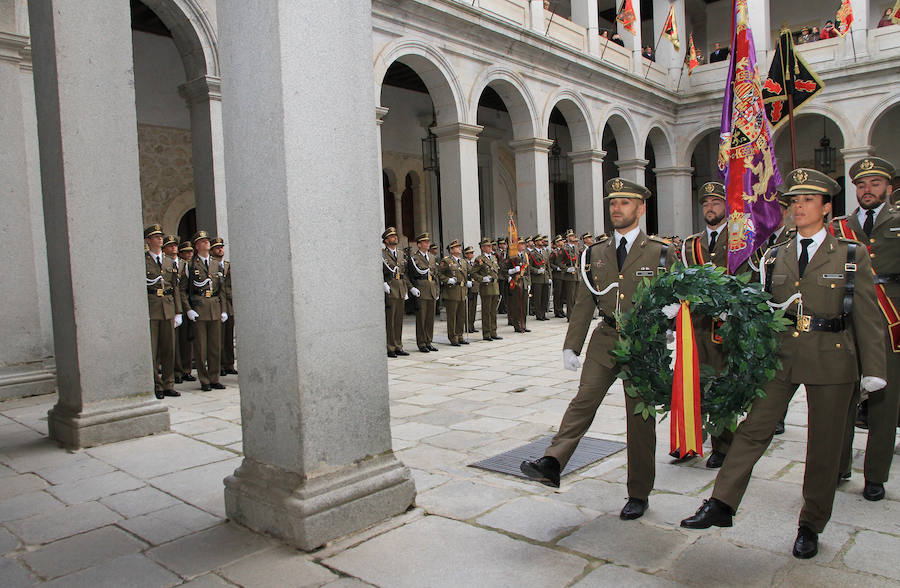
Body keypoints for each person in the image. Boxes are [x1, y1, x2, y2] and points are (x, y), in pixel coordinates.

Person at [681, 168, 886, 560]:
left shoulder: (849, 255)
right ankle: (722, 503)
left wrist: (875, 369)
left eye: (808, 200)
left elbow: (868, 316)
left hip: (832, 358)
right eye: (794, 201)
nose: (799, 207)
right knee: (753, 430)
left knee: (824, 447)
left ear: (827, 207)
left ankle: (811, 524)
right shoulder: (775, 255)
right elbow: (754, 300)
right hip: (780, 356)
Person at [520, 178, 676, 521]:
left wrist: (672, 319)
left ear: (640, 208)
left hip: (642, 344)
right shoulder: (594, 253)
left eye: (624, 202)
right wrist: (571, 345)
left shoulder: (662, 252)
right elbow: (584, 301)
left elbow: (678, 296)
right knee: (584, 400)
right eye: (612, 203)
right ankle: (552, 462)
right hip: (605, 338)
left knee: (640, 419)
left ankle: (639, 492)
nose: (616, 209)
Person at [835, 157, 900, 502]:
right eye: (861, 185)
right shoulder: (838, 228)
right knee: (842, 397)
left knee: (883, 403)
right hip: (849, 322)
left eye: (875, 184)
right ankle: (840, 464)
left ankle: (875, 475)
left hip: (891, 321)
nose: (867, 190)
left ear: (888, 188)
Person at [679, 182, 736, 468]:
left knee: (721, 385)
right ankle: (690, 440)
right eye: (705, 203)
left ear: (726, 206)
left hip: (725, 326)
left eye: (715, 202)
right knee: (692, 382)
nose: (710, 207)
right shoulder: (690, 244)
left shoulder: (740, 240)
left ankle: (724, 445)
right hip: (695, 325)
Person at [182, 230, 228, 391]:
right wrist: (188, 310)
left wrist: (224, 310)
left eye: (207, 240)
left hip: (215, 306)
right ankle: (204, 380)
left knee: (215, 346)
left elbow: (221, 289)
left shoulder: (216, 264)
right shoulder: (190, 265)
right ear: (197, 246)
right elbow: (183, 290)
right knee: (201, 348)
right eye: (202, 241)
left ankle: (214, 377)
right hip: (199, 308)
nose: (206, 243)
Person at [144, 224, 181, 399]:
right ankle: (156, 384)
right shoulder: (143, 261)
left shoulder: (169, 261)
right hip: (152, 307)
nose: (160, 238)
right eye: (155, 236)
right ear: (148, 240)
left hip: (168, 307)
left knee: (169, 348)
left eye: (160, 236)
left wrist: (179, 311)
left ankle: (168, 383)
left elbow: (175, 287)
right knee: (152, 350)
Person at [382, 227, 411, 358]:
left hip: (400, 288)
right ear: (386, 240)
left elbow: (403, 272)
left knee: (399, 319)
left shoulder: (400, 254)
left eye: (395, 236)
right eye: (392, 237)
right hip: (390, 287)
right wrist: (383, 283)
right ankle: (390, 347)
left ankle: (398, 345)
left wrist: (406, 289)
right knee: (390, 319)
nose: (395, 238)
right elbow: (379, 270)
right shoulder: (382, 254)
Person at [408, 232, 440, 353]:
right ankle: (421, 343)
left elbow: (435, 274)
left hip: (431, 289)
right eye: (425, 242)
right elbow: (409, 275)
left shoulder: (432, 257)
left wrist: (437, 290)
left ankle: (428, 341)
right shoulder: (414, 258)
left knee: (430, 318)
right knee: (421, 318)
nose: (428, 244)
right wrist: (412, 288)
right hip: (421, 289)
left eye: (428, 242)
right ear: (419, 244)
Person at [211, 237, 237, 376]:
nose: (220, 250)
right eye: (217, 248)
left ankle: (229, 363)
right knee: (218, 337)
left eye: (221, 247)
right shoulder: (210, 266)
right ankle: (219, 364)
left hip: (229, 303)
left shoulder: (228, 265)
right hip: (217, 304)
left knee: (228, 336)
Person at [439, 239, 470, 346]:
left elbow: (466, 275)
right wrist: (447, 280)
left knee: (461, 316)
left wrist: (468, 282)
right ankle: (453, 337)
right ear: (451, 250)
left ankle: (460, 335)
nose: (459, 248)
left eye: (459, 246)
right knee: (452, 316)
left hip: (461, 291)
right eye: (457, 247)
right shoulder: (446, 261)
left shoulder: (463, 261)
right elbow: (439, 274)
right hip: (451, 292)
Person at [174, 240, 196, 383]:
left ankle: (187, 369)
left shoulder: (191, 266)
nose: (189, 254)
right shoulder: (177, 266)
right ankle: (177, 371)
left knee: (188, 340)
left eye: (190, 251)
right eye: (186, 252)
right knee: (177, 341)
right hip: (178, 306)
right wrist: (183, 309)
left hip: (191, 305)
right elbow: (179, 290)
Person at [473, 238, 502, 341]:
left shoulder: (493, 258)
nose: (490, 247)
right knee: (486, 312)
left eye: (490, 246)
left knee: (493, 311)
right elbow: (473, 273)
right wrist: (482, 279)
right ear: (482, 248)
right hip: (486, 287)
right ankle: (486, 333)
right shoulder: (479, 259)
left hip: (494, 287)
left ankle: (494, 332)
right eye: (488, 246)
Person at [503, 238, 531, 333]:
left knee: (524, 305)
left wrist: (529, 283)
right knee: (516, 305)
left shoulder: (525, 255)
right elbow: (504, 270)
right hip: (515, 282)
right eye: (521, 244)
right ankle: (517, 325)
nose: (523, 245)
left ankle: (523, 324)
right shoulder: (511, 256)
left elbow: (528, 271)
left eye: (523, 244)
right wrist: (511, 273)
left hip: (524, 282)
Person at [528, 235, 550, 321]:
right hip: (537, 279)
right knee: (538, 297)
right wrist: (537, 271)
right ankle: (538, 314)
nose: (542, 242)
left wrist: (549, 277)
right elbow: (529, 267)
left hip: (545, 278)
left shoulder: (544, 252)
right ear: (536, 242)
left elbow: (547, 266)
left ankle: (543, 313)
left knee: (545, 297)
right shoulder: (532, 253)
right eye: (540, 240)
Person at [560, 229, 580, 319]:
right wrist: (566, 269)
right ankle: (570, 315)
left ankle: (576, 314)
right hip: (569, 275)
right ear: (567, 238)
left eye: (573, 235)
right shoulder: (564, 248)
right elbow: (558, 262)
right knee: (570, 297)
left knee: (576, 296)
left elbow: (578, 260)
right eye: (571, 236)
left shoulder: (575, 247)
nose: (572, 237)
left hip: (576, 274)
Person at [464, 245, 479, 333]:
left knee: (473, 308)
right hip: (469, 288)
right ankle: (468, 326)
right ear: (466, 254)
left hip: (474, 287)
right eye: (470, 253)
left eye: (472, 253)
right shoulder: (464, 263)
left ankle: (472, 325)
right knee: (468, 308)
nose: (472, 254)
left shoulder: (473, 263)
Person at [551, 235, 566, 318]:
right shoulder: (554, 252)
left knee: (562, 294)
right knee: (557, 293)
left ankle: (561, 310)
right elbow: (550, 263)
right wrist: (556, 268)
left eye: (562, 240)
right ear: (556, 243)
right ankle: (557, 311)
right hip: (557, 275)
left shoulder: (564, 251)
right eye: (560, 241)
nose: (562, 242)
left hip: (563, 274)